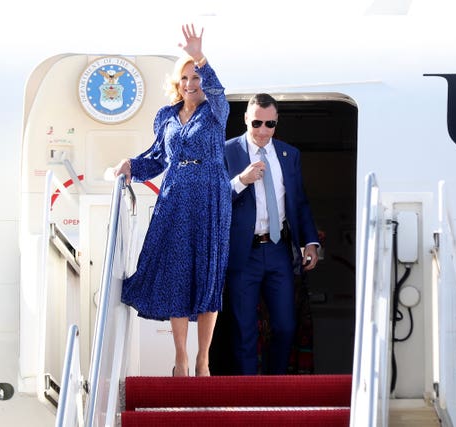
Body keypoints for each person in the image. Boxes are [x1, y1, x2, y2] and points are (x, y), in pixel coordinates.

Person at [114, 24, 231, 377]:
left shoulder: (216, 112)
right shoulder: (165, 116)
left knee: (207, 274)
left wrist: (200, 55)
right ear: (177, 83)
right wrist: (130, 165)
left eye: (196, 76)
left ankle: (203, 359)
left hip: (210, 196)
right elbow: (157, 160)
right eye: (185, 77)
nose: (191, 83)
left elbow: (218, 90)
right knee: (178, 273)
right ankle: (181, 357)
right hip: (175, 196)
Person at [224, 93, 319, 375]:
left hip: (278, 249)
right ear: (245, 119)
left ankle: (274, 385)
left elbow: (299, 202)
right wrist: (241, 180)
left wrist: (309, 242)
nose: (263, 130)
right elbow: (212, 200)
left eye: (270, 124)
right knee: (244, 331)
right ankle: (248, 396)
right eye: (256, 123)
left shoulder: (290, 155)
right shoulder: (226, 151)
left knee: (285, 326)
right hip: (244, 252)